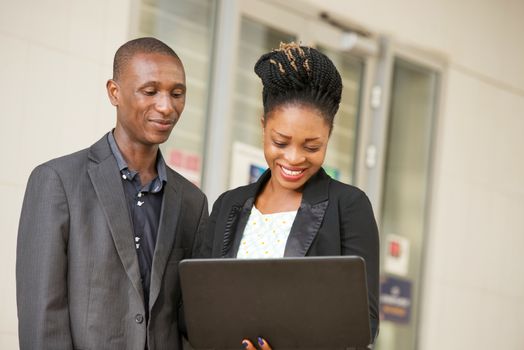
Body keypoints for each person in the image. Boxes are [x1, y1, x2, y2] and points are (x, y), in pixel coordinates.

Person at [16, 37, 208, 350]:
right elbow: (42, 317)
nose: (166, 106)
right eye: (150, 91)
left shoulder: (193, 203)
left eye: (177, 93)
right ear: (114, 92)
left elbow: (192, 318)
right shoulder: (56, 181)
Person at [201, 42, 379, 349]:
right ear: (263, 126)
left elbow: (362, 324)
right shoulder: (229, 206)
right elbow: (199, 305)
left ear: (329, 136)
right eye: (280, 142)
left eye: (312, 147)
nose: (294, 158)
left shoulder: (348, 207)